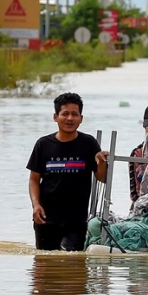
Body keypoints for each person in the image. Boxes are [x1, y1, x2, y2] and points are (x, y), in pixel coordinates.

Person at [26, 92, 109, 251]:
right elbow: (34, 179)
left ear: (81, 118)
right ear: (56, 117)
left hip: (76, 221)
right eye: (65, 114)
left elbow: (101, 178)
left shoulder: (89, 143)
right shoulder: (43, 144)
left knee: (73, 265)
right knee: (44, 266)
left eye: (74, 114)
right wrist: (36, 205)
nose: (70, 118)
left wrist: (101, 163)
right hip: (46, 218)